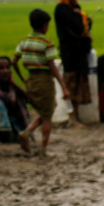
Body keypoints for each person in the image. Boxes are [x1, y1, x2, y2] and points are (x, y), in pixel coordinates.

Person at [13, 8, 66, 157]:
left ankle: (27, 132)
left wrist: (22, 78)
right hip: (44, 81)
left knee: (44, 112)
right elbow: (52, 66)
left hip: (31, 80)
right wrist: (63, 86)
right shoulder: (46, 42)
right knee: (48, 117)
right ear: (45, 25)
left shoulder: (24, 41)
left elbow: (14, 61)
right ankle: (43, 150)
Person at [54, 0, 93, 127]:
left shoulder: (75, 9)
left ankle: (76, 115)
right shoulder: (62, 9)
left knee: (79, 84)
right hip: (70, 53)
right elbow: (78, 27)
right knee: (70, 85)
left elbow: (86, 26)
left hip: (81, 52)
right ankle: (72, 117)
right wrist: (77, 10)